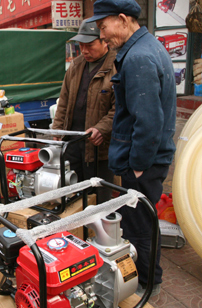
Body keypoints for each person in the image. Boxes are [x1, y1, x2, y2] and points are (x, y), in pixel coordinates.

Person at [87, 0, 177, 297]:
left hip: (142, 162)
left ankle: (147, 285)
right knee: (144, 223)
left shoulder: (138, 56)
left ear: (123, 20)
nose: (103, 36)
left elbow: (148, 119)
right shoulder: (145, 47)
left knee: (139, 227)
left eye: (104, 27)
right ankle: (152, 278)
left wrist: (137, 164)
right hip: (146, 159)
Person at [52, 19, 116, 203]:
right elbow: (64, 99)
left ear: (105, 41)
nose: (84, 51)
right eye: (81, 45)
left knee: (100, 194)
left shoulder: (116, 67)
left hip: (99, 146)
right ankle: (80, 229)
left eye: (89, 45)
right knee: (74, 192)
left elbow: (119, 109)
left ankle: (101, 228)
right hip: (73, 141)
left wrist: (101, 129)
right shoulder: (76, 65)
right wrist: (58, 127)